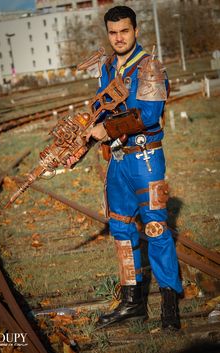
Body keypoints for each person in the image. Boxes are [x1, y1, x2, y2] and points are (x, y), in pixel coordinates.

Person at [82, 5, 183, 330]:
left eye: (124, 31)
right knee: (121, 228)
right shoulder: (108, 67)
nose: (118, 38)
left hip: (146, 159)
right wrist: (82, 136)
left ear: (135, 31)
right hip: (118, 160)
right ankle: (132, 303)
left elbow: (149, 117)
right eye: (113, 32)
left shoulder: (150, 65)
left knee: (155, 227)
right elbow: (101, 106)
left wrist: (106, 130)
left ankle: (170, 301)